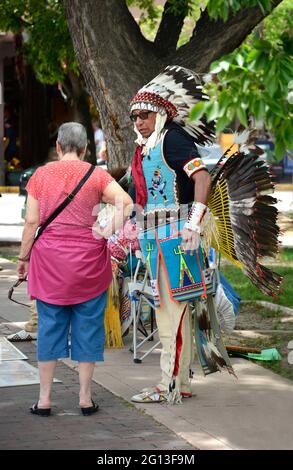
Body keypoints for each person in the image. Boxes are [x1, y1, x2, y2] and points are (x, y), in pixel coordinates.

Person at [17, 122, 133, 416]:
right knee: (88, 327)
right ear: (84, 149)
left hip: (49, 261)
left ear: (57, 146)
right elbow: (126, 203)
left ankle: (44, 400)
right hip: (88, 262)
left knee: (49, 326)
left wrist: (23, 258)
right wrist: (104, 230)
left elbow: (32, 221)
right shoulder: (96, 174)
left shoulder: (41, 176)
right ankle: (84, 398)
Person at [128, 66, 217, 403]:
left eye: (145, 115)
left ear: (162, 113)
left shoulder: (173, 139)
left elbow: (202, 178)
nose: (139, 122)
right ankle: (181, 381)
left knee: (171, 313)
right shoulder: (149, 145)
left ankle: (168, 385)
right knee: (175, 309)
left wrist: (194, 224)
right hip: (158, 238)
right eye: (135, 116)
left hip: (175, 239)